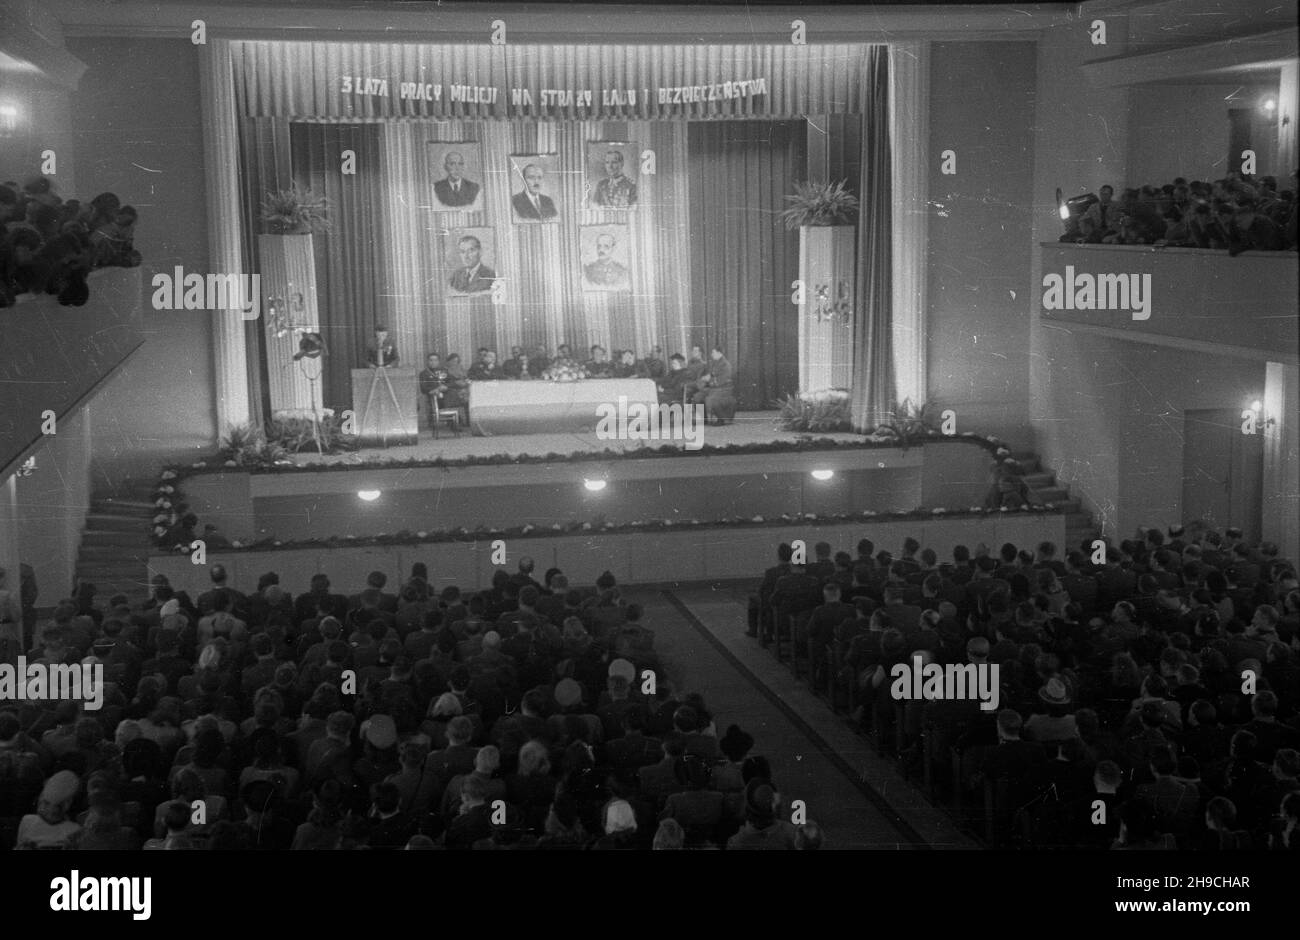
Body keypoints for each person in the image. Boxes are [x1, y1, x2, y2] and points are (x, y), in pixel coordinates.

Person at [688, 345, 736, 425]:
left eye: (713, 352)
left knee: (711, 399)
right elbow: (711, 374)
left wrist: (708, 380)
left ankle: (721, 419)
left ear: (719, 353)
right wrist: (706, 377)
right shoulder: (715, 363)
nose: (711, 354)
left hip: (723, 388)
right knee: (697, 397)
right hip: (713, 388)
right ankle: (703, 419)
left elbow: (722, 380)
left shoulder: (726, 365)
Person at [419, 353, 450, 420]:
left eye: (435, 360)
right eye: (431, 360)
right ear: (427, 361)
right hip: (432, 395)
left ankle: (454, 420)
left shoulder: (444, 371)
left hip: (446, 394)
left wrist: (446, 387)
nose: (433, 362)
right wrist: (437, 389)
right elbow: (423, 389)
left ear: (439, 361)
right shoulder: (423, 373)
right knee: (436, 398)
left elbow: (450, 382)